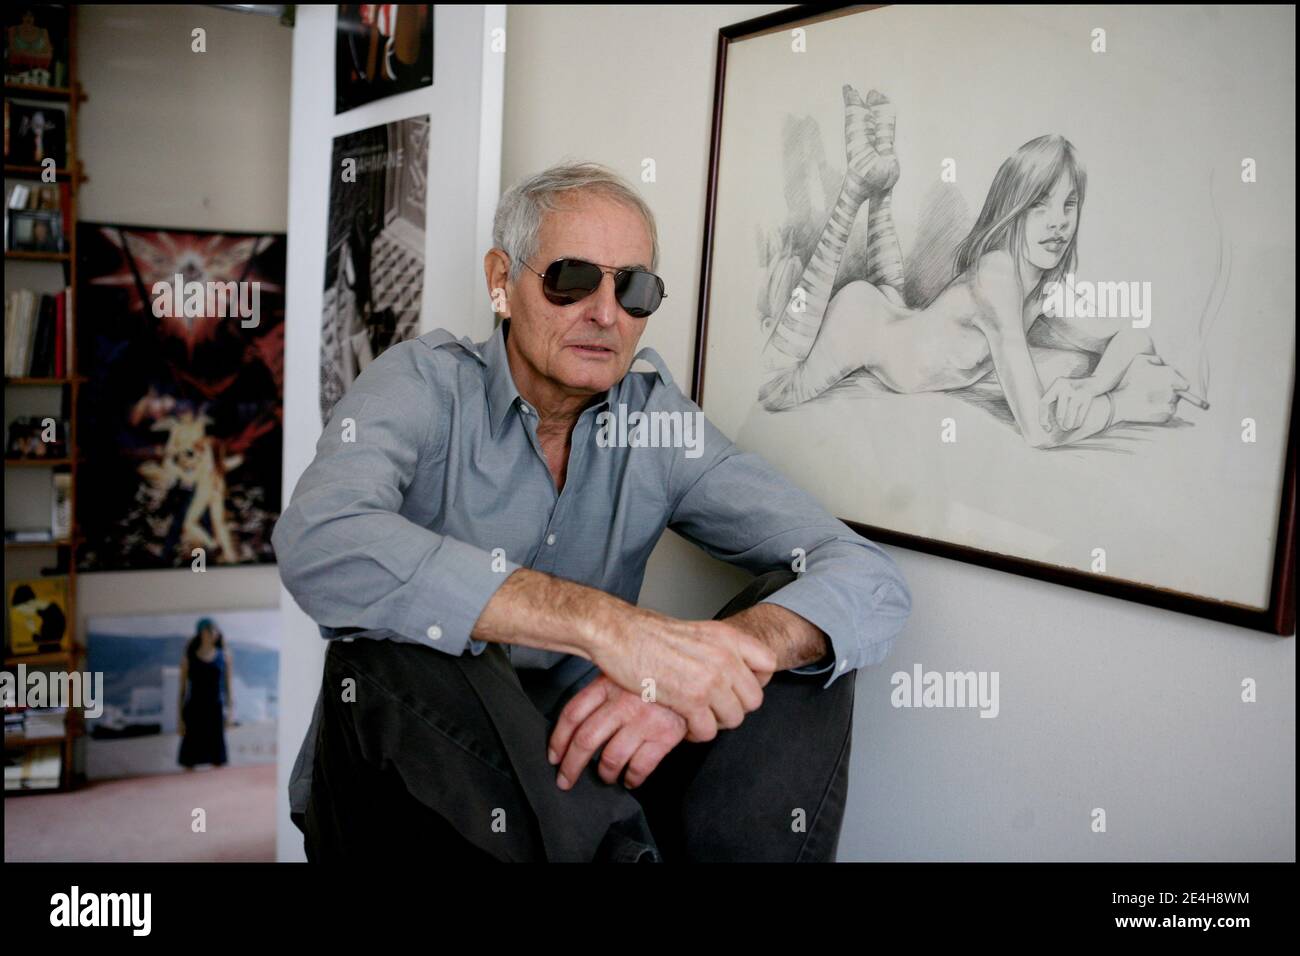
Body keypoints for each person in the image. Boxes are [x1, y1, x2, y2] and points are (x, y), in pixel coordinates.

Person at [273, 161, 912, 862]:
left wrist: (714, 660)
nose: (605, 313)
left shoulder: (658, 428)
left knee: (796, 628)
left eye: (633, 289)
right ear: (500, 281)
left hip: (595, 778)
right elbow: (319, 540)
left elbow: (865, 576)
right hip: (411, 795)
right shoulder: (419, 386)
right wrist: (606, 628)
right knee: (394, 643)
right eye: (572, 279)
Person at [759, 85, 1190, 446]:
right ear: (1012, 209)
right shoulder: (998, 277)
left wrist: (1095, 386)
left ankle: (880, 181)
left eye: (1069, 204)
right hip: (863, 326)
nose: (1058, 222)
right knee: (780, 388)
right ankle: (857, 186)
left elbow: (1132, 336)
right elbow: (1040, 431)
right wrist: (1126, 405)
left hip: (894, 314)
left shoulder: (1039, 285)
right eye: (1039, 205)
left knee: (887, 286)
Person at [177, 617, 233, 769]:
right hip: (194, 711)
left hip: (215, 710)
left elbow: (228, 688)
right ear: (201, 633)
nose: (213, 633)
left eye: (215, 630)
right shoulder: (188, 658)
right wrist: (180, 719)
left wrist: (230, 712)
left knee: (218, 760)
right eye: (209, 630)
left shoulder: (224, 656)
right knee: (189, 761)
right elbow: (182, 690)